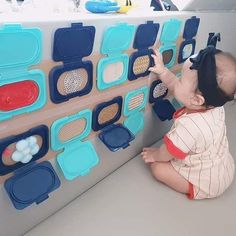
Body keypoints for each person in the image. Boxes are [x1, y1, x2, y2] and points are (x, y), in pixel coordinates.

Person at [141, 45, 236, 199]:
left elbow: (169, 152)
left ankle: (195, 187)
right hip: (222, 168)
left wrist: (156, 155)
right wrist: (163, 71)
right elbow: (176, 87)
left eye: (180, 80)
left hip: (207, 182)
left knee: (158, 168)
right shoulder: (215, 106)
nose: (176, 81)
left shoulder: (190, 127)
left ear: (197, 100)